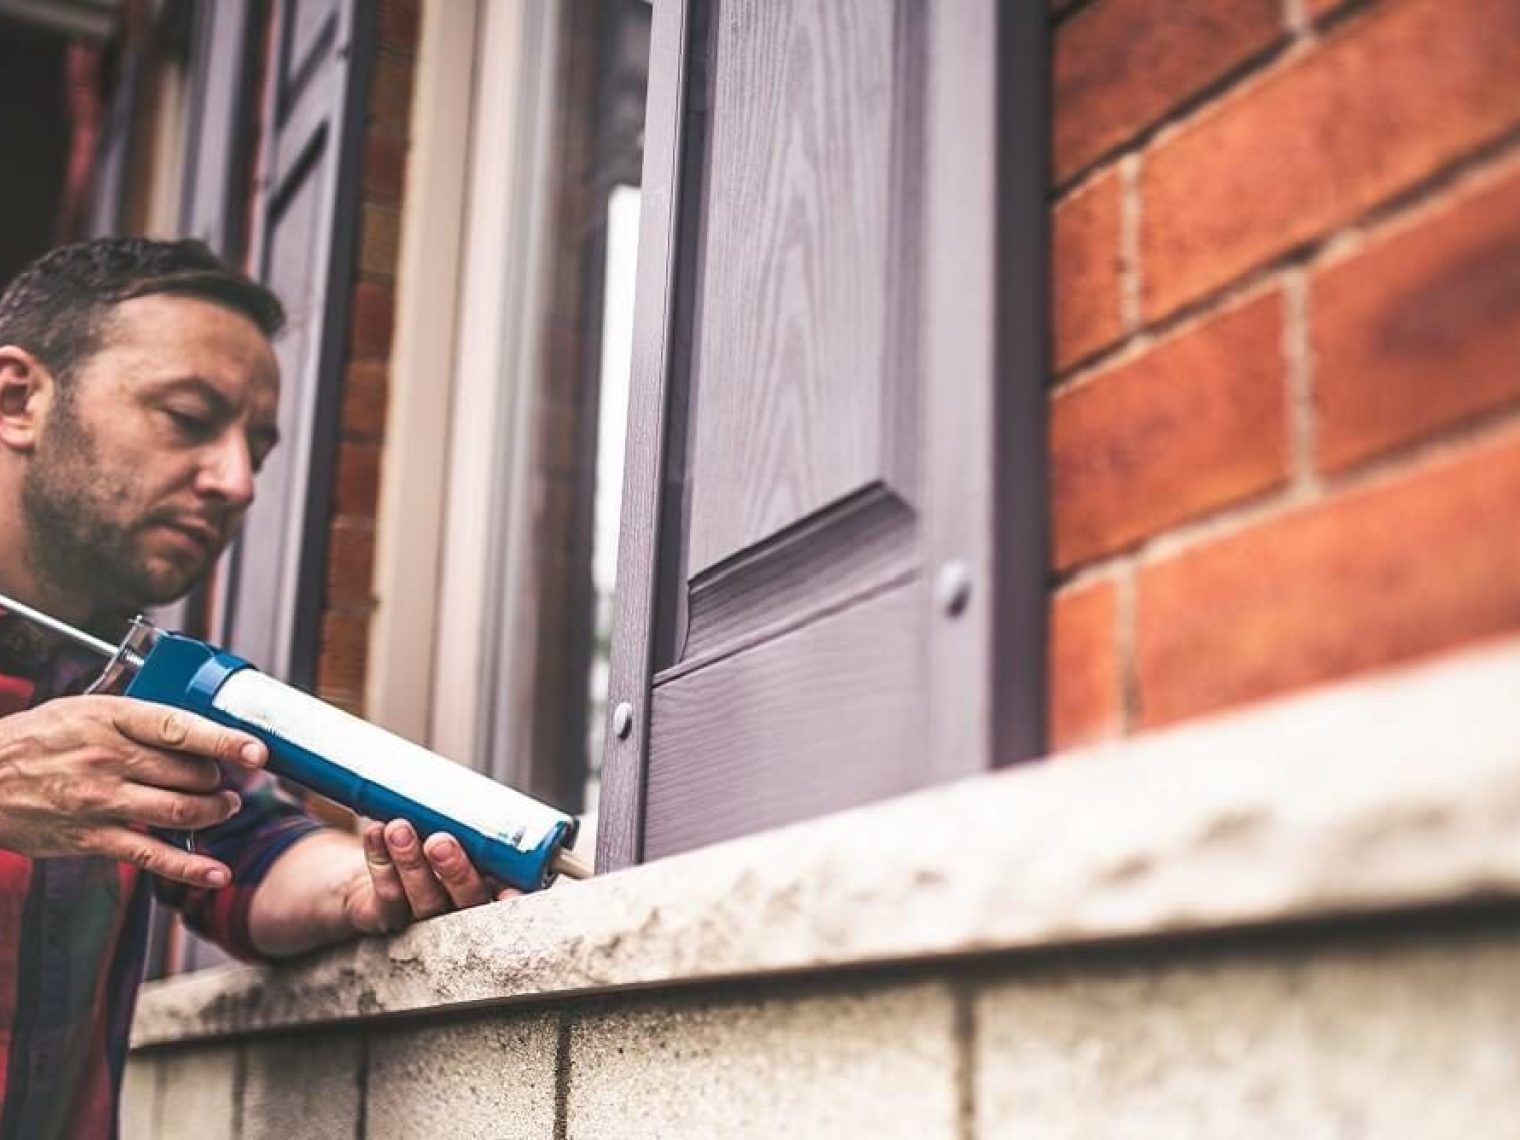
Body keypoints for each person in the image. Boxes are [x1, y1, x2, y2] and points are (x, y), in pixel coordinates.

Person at [0, 238, 507, 1137]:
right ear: (18, 398)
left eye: (257, 451)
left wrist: (370, 883)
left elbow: (253, 852)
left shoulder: (137, 683)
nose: (235, 482)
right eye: (188, 418)